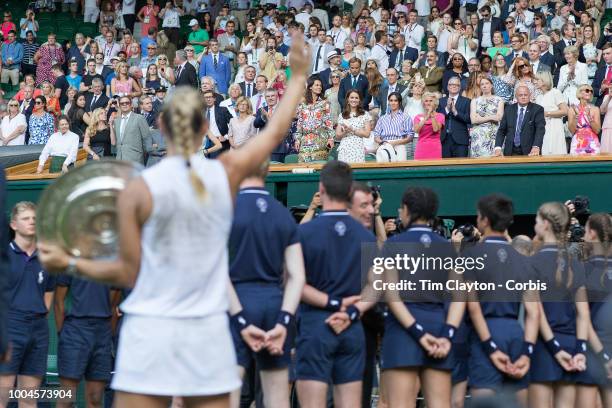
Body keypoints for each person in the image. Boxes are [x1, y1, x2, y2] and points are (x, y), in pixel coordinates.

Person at [37, 33, 311, 408]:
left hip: (149, 332)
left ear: (160, 127)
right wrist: (297, 78)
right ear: (204, 130)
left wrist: (67, 262)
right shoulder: (224, 172)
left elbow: (128, 272)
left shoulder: (138, 187)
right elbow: (275, 132)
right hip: (207, 331)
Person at [295, 160, 377, 408]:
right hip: (351, 326)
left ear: (321, 189)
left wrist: (334, 303)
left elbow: (295, 284)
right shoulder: (366, 235)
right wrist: (352, 310)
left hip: (315, 325)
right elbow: (376, 285)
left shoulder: (304, 233)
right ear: (349, 191)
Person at [228, 162, 305, 408]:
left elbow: (215, 271)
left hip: (236, 301)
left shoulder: (228, 209)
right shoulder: (282, 213)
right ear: (267, 172)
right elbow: (297, 275)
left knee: (228, 393)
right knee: (277, 397)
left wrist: (240, 318)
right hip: (275, 303)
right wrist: (284, 319)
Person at [381, 186, 464, 408]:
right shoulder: (448, 248)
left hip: (402, 332)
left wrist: (417, 332)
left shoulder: (392, 244)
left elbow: (391, 295)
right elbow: (459, 297)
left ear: (406, 210)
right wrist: (447, 334)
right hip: (438, 330)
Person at [462, 194, 539, 407]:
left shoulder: (470, 257)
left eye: (478, 216)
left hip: (485, 334)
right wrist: (526, 353)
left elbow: (473, 307)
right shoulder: (524, 261)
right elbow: (534, 313)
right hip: (516, 334)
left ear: (485, 220)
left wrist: (490, 347)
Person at [528, 202, 590, 408]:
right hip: (571, 344)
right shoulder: (576, 264)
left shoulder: (532, 262)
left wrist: (554, 348)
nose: (535, 225)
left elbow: (536, 312)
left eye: (536, 220)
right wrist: (580, 349)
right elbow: (583, 313)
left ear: (545, 224)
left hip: (544, 346)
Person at [0, 202, 55, 408]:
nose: (31, 222)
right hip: (10, 327)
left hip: (38, 329)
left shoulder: (45, 257)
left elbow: (49, 292)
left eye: (34, 218)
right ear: (14, 224)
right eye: (25, 218)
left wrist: (38, 316)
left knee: (29, 399)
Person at [54, 273, 116, 408]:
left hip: (102, 330)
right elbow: (59, 302)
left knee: (95, 397)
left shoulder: (113, 261)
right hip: (75, 328)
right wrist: (62, 333)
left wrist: (107, 333)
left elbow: (112, 304)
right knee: (67, 396)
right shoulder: (72, 260)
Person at [494, 86, 545, 156]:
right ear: (516, 97)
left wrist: (536, 146)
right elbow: (501, 130)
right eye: (520, 95)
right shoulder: (509, 109)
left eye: (525, 95)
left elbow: (540, 130)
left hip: (531, 151)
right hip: (510, 151)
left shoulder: (537, 109)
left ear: (530, 95)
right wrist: (498, 148)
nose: (523, 97)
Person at [295, 77, 334, 162]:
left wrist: (331, 138)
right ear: (310, 87)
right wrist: (297, 139)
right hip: (305, 141)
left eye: (320, 85)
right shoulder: (302, 104)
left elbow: (328, 122)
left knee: (318, 168)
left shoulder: (325, 103)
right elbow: (300, 123)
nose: (319, 87)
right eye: (316, 85)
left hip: (320, 139)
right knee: (303, 169)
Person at [535, 71, 568, 156]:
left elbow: (565, 111)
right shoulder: (539, 97)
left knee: (556, 151)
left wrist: (547, 113)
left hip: (555, 126)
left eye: (537, 79)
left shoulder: (555, 92)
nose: (535, 82)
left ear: (544, 81)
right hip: (543, 128)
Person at [373, 92, 414, 161]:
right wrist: (383, 142)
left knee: (400, 169)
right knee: (383, 169)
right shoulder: (382, 118)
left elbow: (410, 136)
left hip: (399, 145)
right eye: (391, 100)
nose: (393, 103)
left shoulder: (405, 117)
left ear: (399, 102)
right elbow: (376, 135)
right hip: (384, 145)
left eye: (395, 100)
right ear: (388, 102)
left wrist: (395, 142)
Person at [469, 77, 504, 158]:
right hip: (478, 136)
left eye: (487, 83)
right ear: (480, 87)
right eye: (482, 84)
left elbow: (499, 117)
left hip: (494, 135)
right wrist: (491, 117)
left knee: (495, 161)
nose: (484, 86)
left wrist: (481, 118)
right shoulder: (475, 101)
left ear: (491, 85)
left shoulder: (499, 100)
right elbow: (473, 120)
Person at [112, 95, 152, 165]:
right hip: (120, 159)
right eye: (122, 103)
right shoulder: (116, 121)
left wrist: (143, 156)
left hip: (135, 159)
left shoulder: (139, 118)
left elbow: (147, 138)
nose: (124, 105)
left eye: (127, 103)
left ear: (131, 104)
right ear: (119, 105)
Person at [438, 77, 471, 158]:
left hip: (461, 140)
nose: (453, 86)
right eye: (451, 84)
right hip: (444, 139)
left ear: (460, 87)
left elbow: (468, 119)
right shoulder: (440, 101)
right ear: (447, 87)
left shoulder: (467, 101)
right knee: (445, 168)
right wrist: (447, 109)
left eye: (456, 85)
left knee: (461, 167)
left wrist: (455, 112)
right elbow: (438, 118)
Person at [336, 90, 372, 163]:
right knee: (344, 172)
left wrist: (353, 130)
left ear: (359, 100)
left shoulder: (365, 114)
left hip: (357, 148)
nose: (354, 100)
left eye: (356, 98)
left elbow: (367, 134)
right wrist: (345, 132)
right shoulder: (342, 115)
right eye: (352, 97)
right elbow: (337, 136)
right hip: (344, 148)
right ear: (348, 100)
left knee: (358, 172)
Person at [567, 84, 601, 155]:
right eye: (587, 90)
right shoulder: (572, 109)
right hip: (577, 142)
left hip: (592, 143)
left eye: (591, 91)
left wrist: (589, 117)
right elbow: (572, 130)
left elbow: (597, 130)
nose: (589, 92)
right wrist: (576, 117)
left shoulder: (595, 109)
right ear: (580, 92)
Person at [413, 92, 445, 160]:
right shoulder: (418, 117)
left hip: (435, 148)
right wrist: (426, 117)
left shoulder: (440, 116)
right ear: (423, 103)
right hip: (421, 148)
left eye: (431, 101)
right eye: (426, 101)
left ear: (435, 103)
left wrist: (432, 116)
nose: (428, 103)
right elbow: (416, 130)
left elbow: (435, 129)